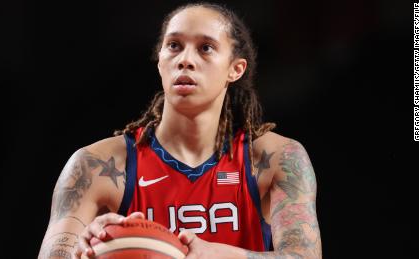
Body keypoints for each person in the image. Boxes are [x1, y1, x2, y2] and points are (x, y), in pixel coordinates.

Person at [38, 2, 322, 259]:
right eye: (174, 45)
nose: (185, 59)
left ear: (235, 69)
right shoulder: (93, 165)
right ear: (160, 60)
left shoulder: (277, 158)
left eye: (205, 48)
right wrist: (85, 250)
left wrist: (215, 255)